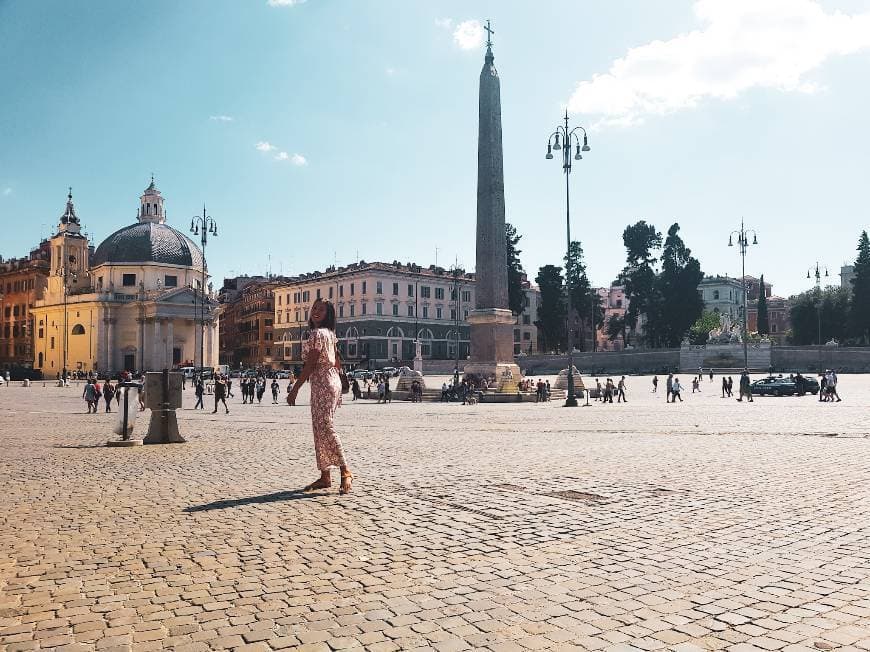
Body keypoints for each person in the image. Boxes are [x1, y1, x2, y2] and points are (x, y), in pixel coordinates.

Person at [287, 298, 353, 495]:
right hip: (330, 382)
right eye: (314, 308)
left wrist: (295, 388)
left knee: (325, 427)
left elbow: (311, 364)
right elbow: (338, 362)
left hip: (323, 382)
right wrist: (339, 386)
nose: (315, 311)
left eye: (321, 309)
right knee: (320, 427)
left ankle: (345, 470)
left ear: (328, 314)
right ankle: (325, 476)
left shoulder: (317, 334)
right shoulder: (330, 334)